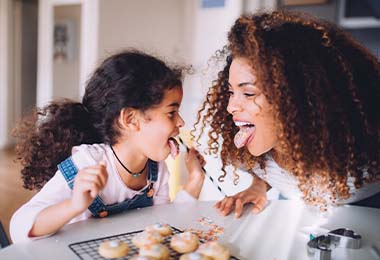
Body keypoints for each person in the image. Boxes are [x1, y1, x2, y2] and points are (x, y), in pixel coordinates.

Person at [193, 10, 380, 218]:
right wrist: (259, 185)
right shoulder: (254, 149)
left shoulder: (363, 148)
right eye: (230, 92)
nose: (230, 107)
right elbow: (271, 171)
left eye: (248, 93)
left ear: (294, 97)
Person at [10, 50, 205, 242]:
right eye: (171, 113)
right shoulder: (87, 162)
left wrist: (195, 179)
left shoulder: (157, 170)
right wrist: (73, 205)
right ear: (130, 119)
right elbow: (18, 229)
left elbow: (163, 227)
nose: (181, 122)